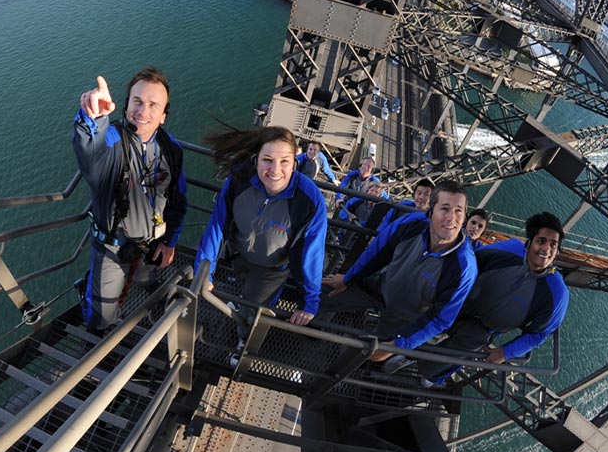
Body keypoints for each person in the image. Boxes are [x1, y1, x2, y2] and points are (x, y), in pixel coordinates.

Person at [386, 212, 570, 384]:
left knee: (437, 366)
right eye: (541, 241)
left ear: (558, 251)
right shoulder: (510, 250)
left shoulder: (557, 293)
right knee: (424, 326)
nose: (546, 249)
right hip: (460, 303)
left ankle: (430, 376)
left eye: (553, 244)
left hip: (483, 330)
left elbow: (539, 334)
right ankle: (407, 355)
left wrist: (506, 352)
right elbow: (473, 261)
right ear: (529, 243)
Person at [71, 68, 188, 335]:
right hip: (112, 249)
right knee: (100, 320)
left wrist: (170, 240)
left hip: (152, 243)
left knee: (147, 278)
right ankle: (90, 299)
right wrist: (94, 118)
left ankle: (141, 292)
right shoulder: (112, 139)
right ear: (125, 106)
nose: (143, 111)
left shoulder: (171, 150)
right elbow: (91, 153)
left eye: (152, 105)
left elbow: (178, 200)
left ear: (163, 116)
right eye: (137, 101)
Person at [321, 181, 477, 361]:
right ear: (431, 211)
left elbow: (441, 318)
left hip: (404, 317)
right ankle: (306, 328)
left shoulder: (463, 267)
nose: (452, 218)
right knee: (323, 292)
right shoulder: (411, 225)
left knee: (370, 353)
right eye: (445, 209)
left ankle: (348, 368)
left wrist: (400, 343)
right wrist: (347, 279)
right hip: (381, 287)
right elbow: (377, 254)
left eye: (459, 210)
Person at [195, 126, 327, 337]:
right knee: (237, 288)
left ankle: (242, 338)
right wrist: (204, 270)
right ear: (256, 159)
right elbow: (217, 225)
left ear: (295, 161)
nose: (275, 170)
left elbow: (312, 253)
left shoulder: (309, 199)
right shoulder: (240, 178)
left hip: (272, 270)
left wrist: (310, 302)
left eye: (284, 161)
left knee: (252, 313)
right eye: (267, 160)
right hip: (237, 253)